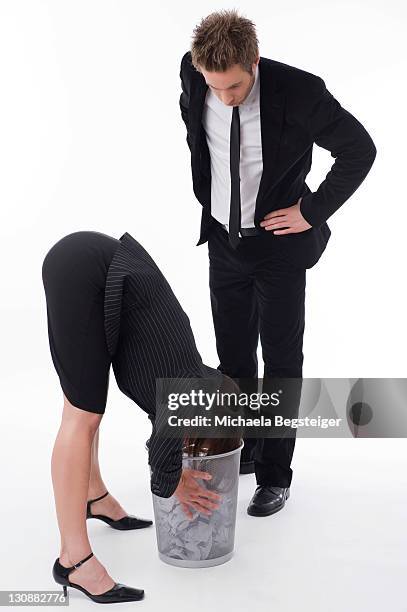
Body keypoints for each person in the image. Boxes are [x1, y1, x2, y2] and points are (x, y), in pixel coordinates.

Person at [179, 10, 376, 517]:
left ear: (255, 61)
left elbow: (359, 149)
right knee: (234, 358)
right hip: (224, 243)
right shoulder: (193, 71)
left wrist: (310, 211)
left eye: (236, 86)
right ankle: (246, 447)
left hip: (277, 249)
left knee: (281, 363)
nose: (225, 97)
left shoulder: (300, 91)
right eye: (213, 87)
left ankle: (275, 475)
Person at [42, 230, 229, 603]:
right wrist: (176, 479)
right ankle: (74, 561)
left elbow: (165, 430)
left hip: (93, 263)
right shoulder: (191, 394)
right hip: (86, 270)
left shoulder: (201, 379)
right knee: (81, 415)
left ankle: (95, 498)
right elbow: (162, 459)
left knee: (88, 405)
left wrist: (175, 465)